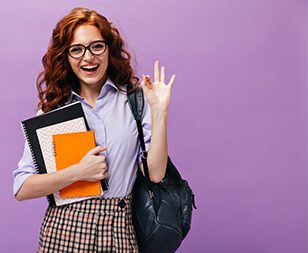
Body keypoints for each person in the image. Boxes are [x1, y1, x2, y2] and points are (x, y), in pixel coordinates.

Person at [13, 6, 176, 253]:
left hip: (120, 228)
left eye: (97, 46)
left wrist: (160, 112)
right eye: (77, 50)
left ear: (109, 50)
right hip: (64, 231)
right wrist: (78, 172)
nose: (88, 57)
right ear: (65, 57)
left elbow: (155, 174)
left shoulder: (134, 102)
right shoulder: (53, 112)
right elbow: (22, 187)